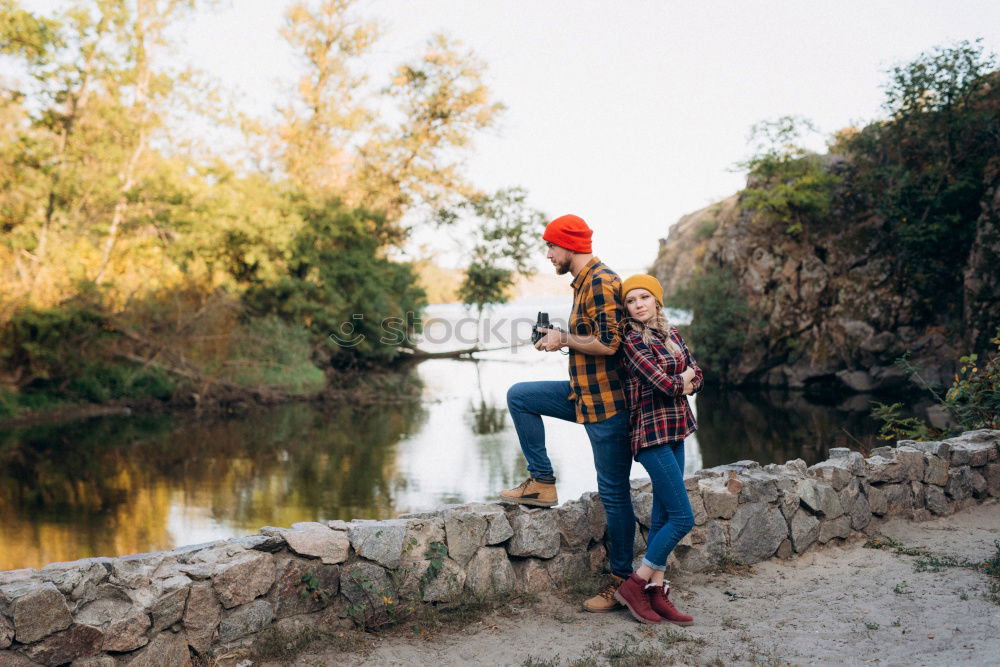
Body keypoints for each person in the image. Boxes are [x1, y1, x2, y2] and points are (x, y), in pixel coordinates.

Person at [500, 213, 637, 613]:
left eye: (550, 246)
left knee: (614, 494)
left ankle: (622, 582)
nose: (547, 255)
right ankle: (541, 482)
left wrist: (564, 338)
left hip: (609, 405)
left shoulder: (599, 281)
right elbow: (592, 337)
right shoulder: (586, 282)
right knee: (520, 396)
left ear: (568, 245)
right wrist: (561, 339)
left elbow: (610, 344)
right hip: (583, 394)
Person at [613, 274, 701, 625]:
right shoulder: (632, 341)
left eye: (644, 297)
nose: (638, 305)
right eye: (631, 301)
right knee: (683, 517)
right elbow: (665, 383)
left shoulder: (672, 333)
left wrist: (688, 378)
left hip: (676, 429)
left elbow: (700, 373)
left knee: (664, 515)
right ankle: (636, 583)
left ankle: (656, 591)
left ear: (656, 300)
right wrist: (685, 379)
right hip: (650, 434)